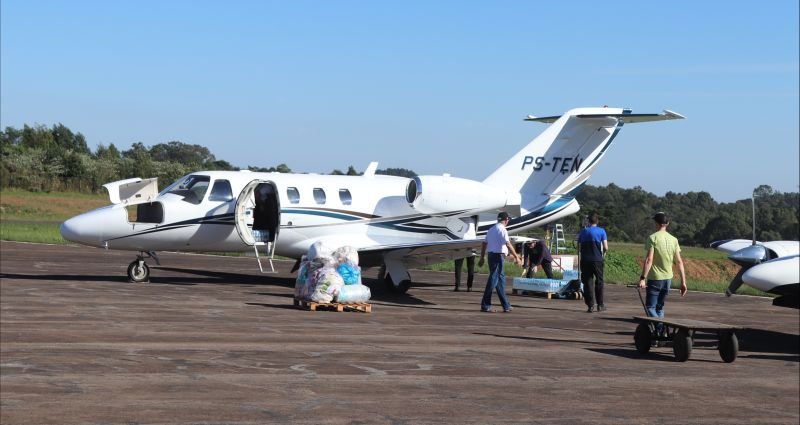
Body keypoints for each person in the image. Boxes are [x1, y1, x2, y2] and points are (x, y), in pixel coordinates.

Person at [638, 212, 687, 327]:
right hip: (668, 279)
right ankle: (660, 333)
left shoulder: (653, 238)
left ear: (656, 223)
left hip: (655, 278)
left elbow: (649, 260)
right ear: (667, 223)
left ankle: (661, 327)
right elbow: (679, 262)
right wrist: (683, 282)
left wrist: (643, 278)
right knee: (659, 307)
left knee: (650, 307)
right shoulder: (674, 239)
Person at [477, 212, 522, 312]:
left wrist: (482, 257)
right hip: (498, 256)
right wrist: (516, 257)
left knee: (500, 281)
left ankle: (506, 305)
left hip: (491, 255)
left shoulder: (491, 229)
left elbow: (484, 243)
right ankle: (485, 305)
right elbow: (508, 244)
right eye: (508, 220)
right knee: (493, 280)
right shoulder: (502, 229)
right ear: (506, 220)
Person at [577, 211, 608, 312]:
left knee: (587, 282)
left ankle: (590, 305)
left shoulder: (583, 231)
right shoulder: (601, 231)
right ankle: (600, 304)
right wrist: (603, 254)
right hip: (597, 260)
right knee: (599, 282)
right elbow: (606, 247)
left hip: (585, 260)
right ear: (597, 221)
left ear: (589, 221)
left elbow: (579, 246)